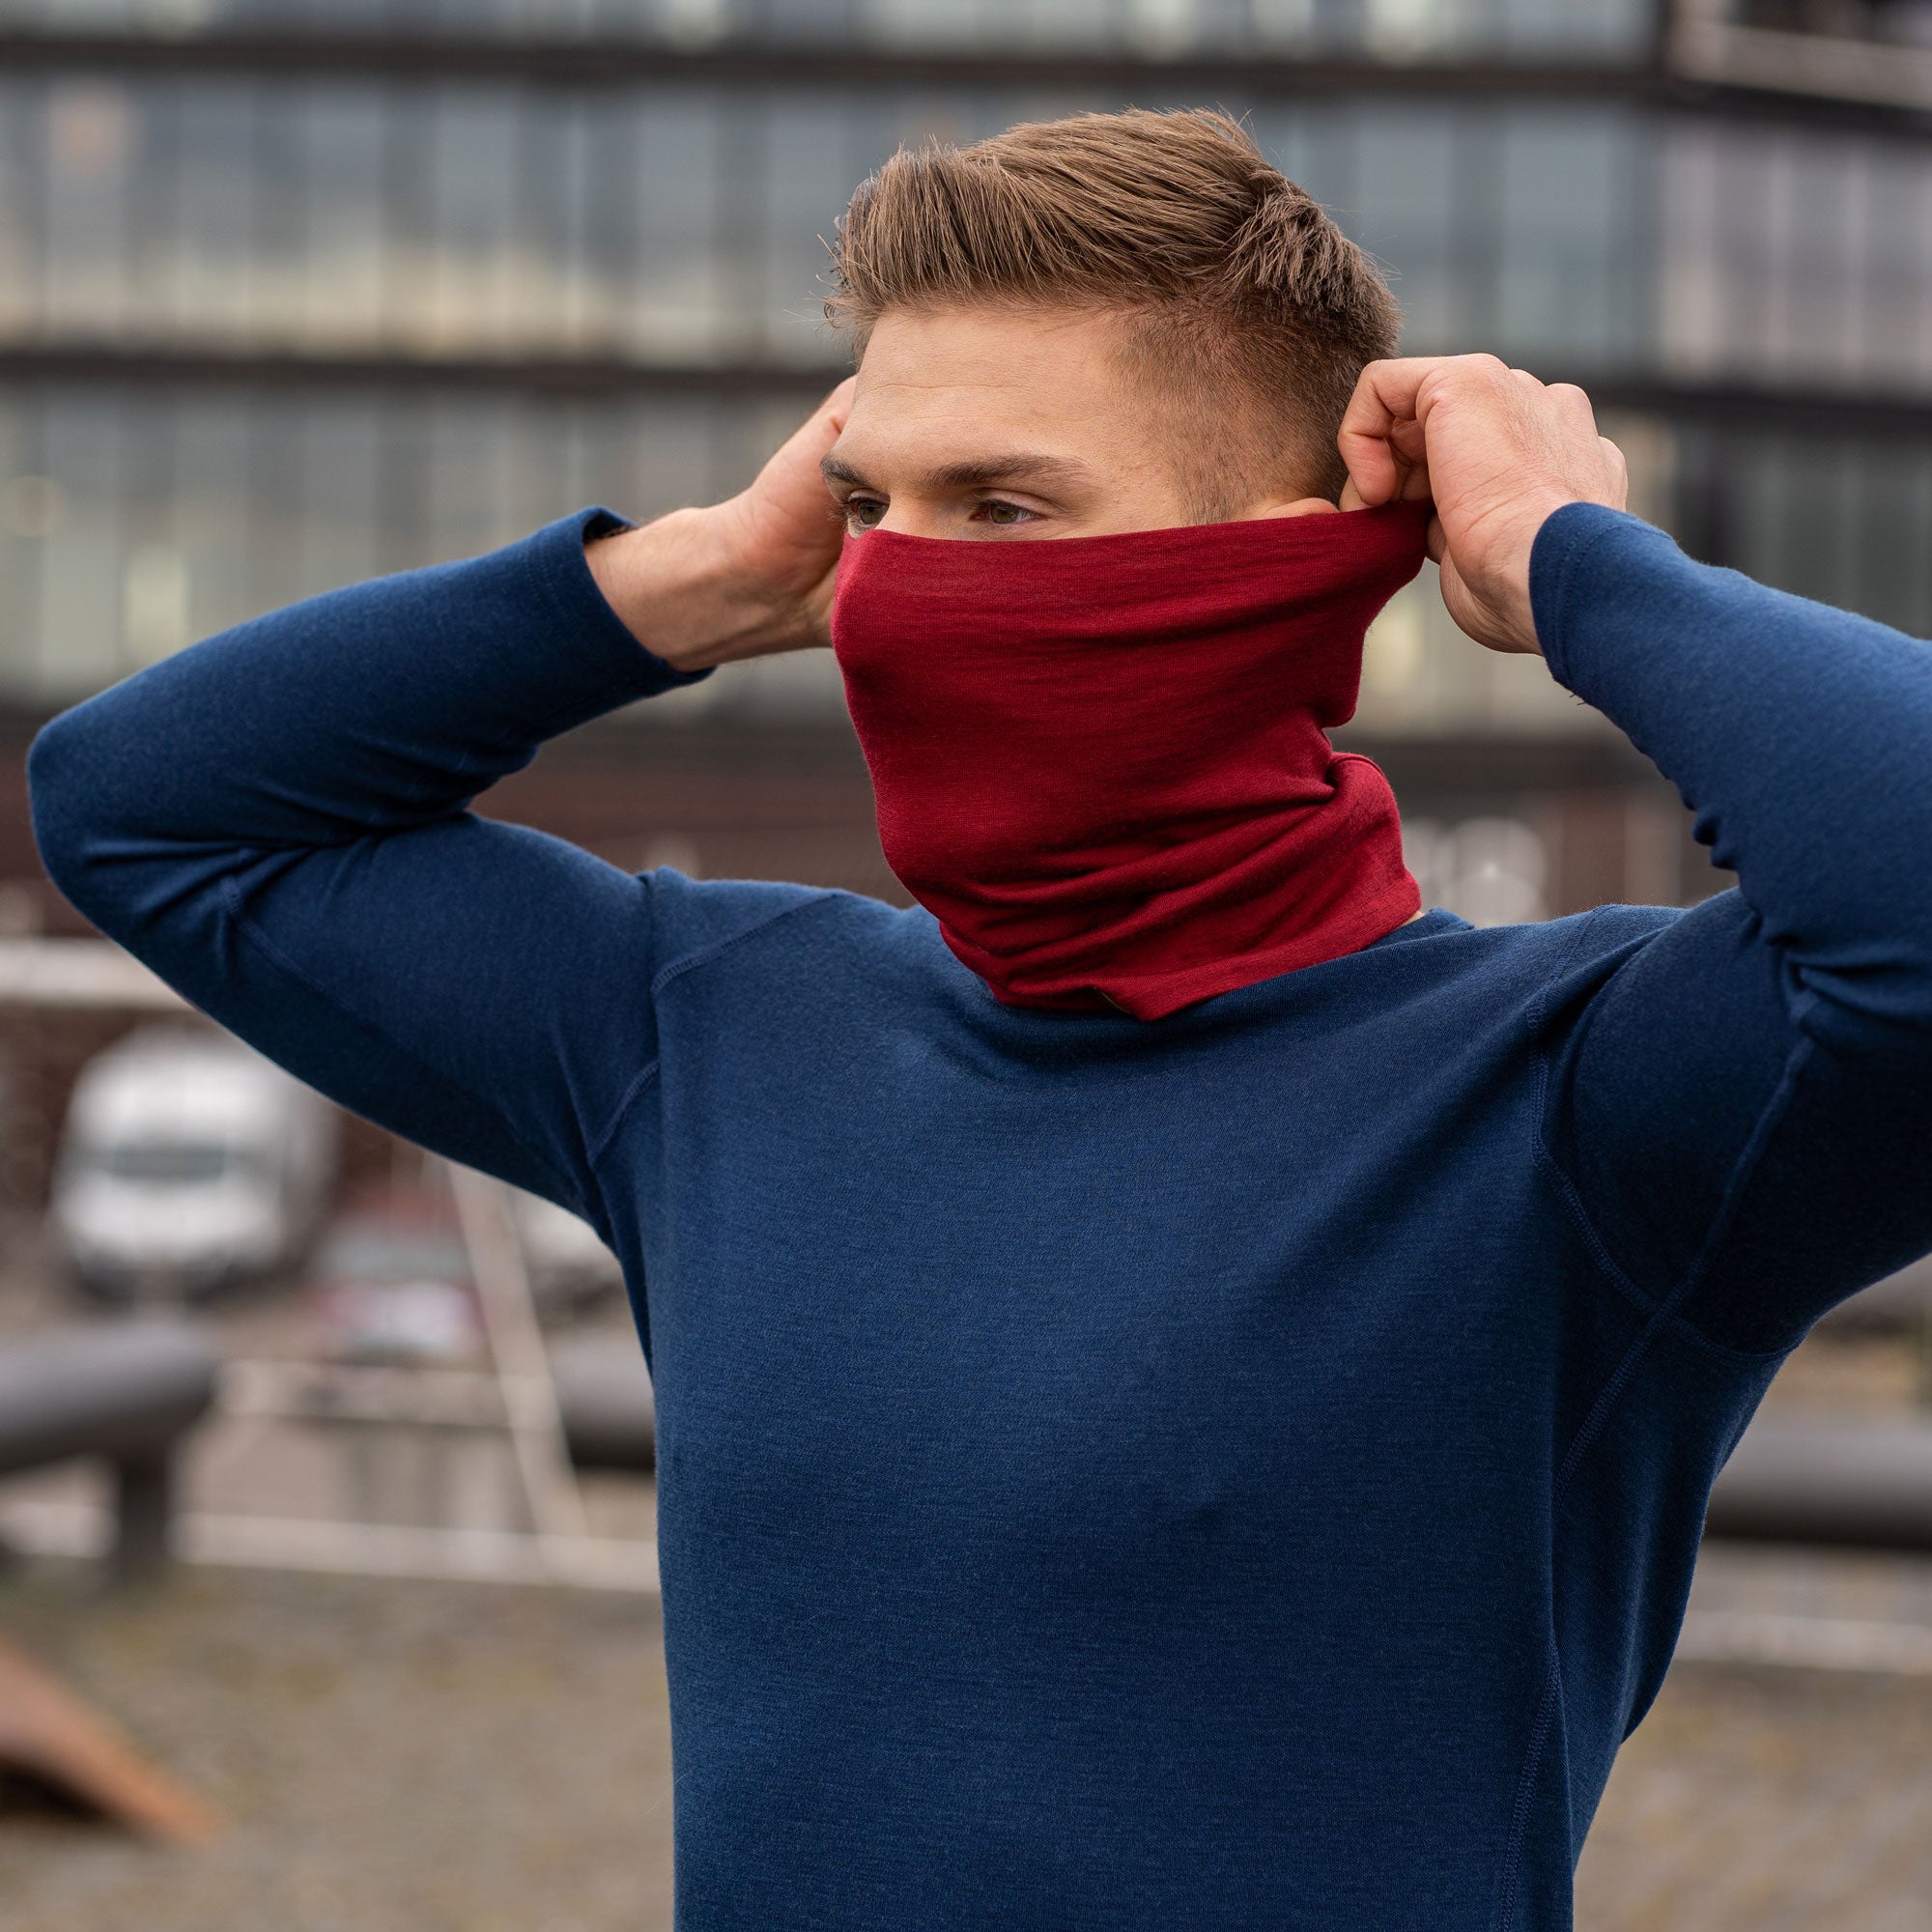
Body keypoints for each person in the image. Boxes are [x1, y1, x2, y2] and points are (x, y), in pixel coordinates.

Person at [26, 108, 1932, 1931]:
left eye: (1007, 506)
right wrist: (695, 580)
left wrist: (1566, 564)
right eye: (881, 510)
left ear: (1292, 562)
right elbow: (144, 804)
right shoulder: (706, 1029)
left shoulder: (1575, 1104)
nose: (907, 593)